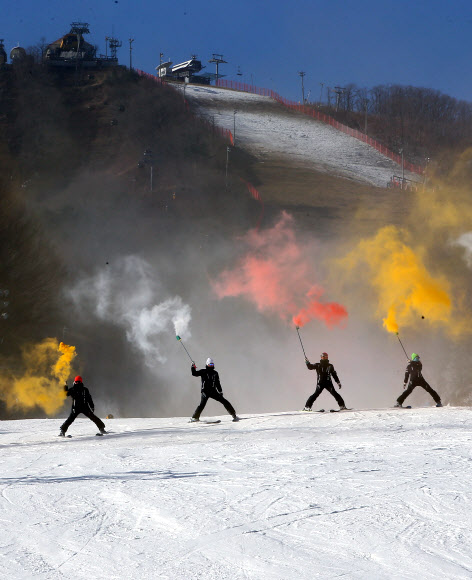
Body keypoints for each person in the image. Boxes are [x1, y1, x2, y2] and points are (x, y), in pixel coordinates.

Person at [190, 358, 239, 422]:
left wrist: (220, 391)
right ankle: (195, 417)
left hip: (213, 391)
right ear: (207, 364)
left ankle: (234, 415)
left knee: (224, 401)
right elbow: (194, 373)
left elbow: (217, 383)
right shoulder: (203, 371)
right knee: (202, 405)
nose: (211, 365)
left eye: (212, 364)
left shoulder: (215, 373)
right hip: (205, 391)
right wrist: (193, 367)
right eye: (210, 364)